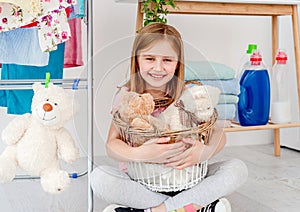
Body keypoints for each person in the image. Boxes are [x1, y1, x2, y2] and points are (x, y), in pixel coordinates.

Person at [91, 23, 248, 212]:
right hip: (143, 182)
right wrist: (139, 154)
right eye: (149, 58)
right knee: (99, 177)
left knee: (237, 169)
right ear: (137, 60)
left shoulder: (188, 94)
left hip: (188, 178)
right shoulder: (127, 97)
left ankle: (156, 210)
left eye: (167, 60)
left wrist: (205, 152)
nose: (158, 68)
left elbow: (218, 134)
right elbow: (111, 145)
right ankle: (193, 207)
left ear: (177, 63)